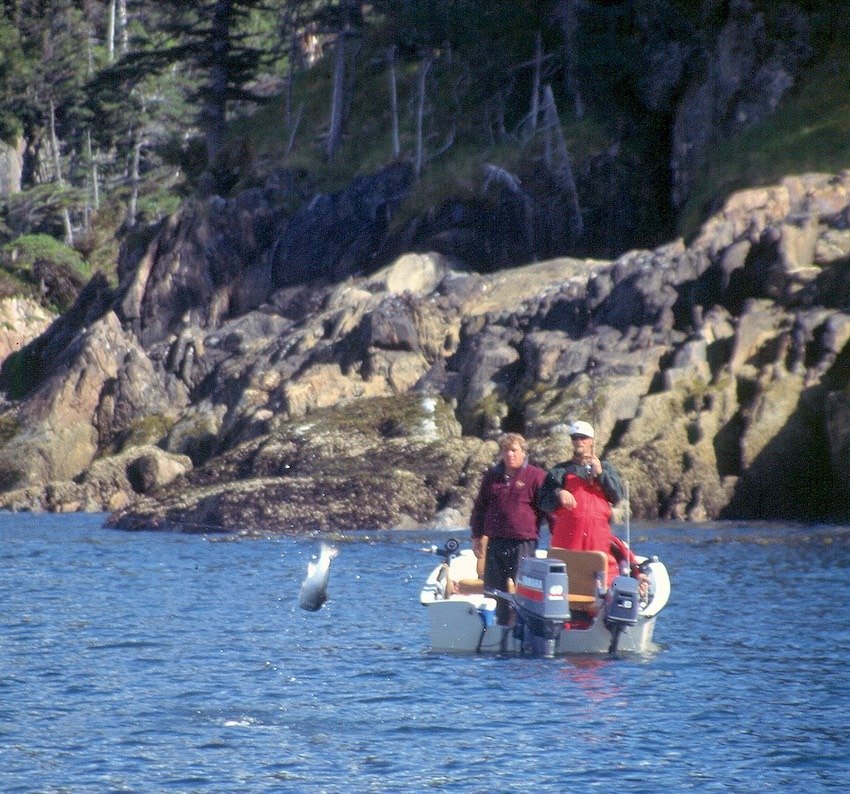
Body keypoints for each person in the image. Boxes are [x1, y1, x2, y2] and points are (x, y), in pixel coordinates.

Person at [538, 420, 647, 590]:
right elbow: (543, 502)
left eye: (583, 437)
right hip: (568, 539)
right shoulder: (559, 471)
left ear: (591, 441)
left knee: (602, 580)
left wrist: (601, 474)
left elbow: (617, 496)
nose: (579, 441)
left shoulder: (606, 468)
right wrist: (559, 493)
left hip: (598, 538)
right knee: (567, 580)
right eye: (575, 438)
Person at [470, 432, 546, 627]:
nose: (510, 454)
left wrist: (560, 538)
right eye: (506, 450)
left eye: (514, 450)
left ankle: (523, 626)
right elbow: (480, 508)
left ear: (523, 452)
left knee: (525, 589)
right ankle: (497, 627)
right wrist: (477, 536)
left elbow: (549, 510)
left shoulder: (536, 476)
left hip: (524, 542)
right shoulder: (492, 477)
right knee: (494, 592)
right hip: (495, 542)